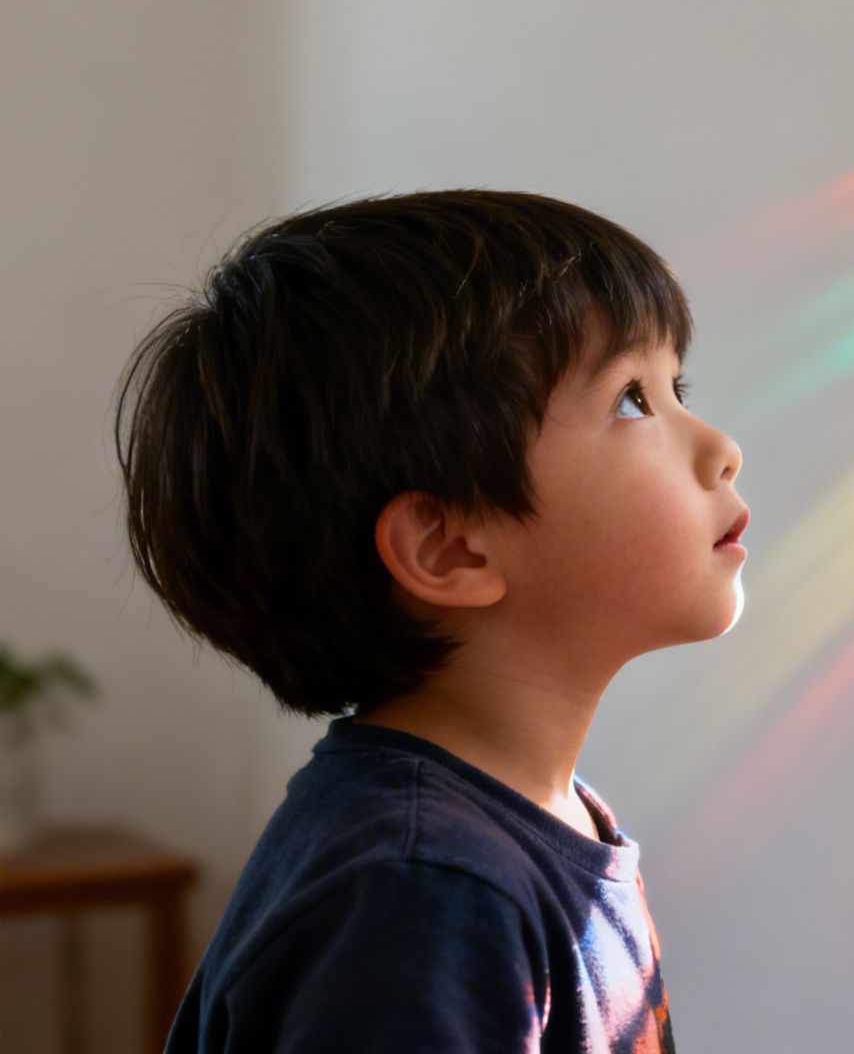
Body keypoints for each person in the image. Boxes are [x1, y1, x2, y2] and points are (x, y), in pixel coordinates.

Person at [118, 190, 747, 1052]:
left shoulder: (537, 821)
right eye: (633, 400)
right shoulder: (422, 890)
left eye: (677, 387)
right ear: (450, 549)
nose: (721, 448)